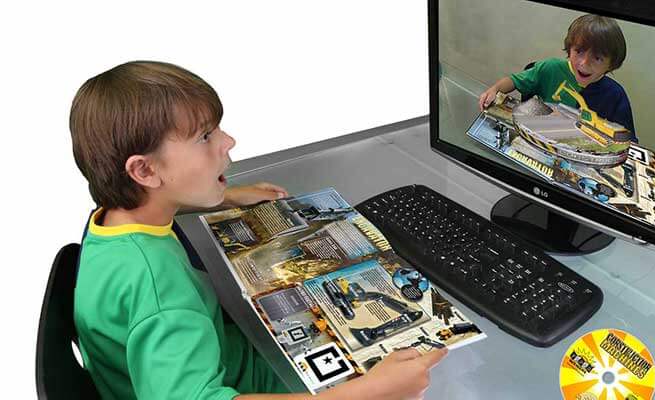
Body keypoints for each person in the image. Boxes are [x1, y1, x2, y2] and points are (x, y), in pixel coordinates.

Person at [70, 61, 447, 400]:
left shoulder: (113, 221)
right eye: (205, 136)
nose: (228, 141)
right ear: (146, 171)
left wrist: (223, 196)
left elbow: (152, 199)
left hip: (208, 355)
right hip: (239, 380)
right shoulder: (155, 287)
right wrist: (365, 393)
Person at [478, 14, 655, 188]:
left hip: (577, 175)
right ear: (569, 48)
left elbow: (628, 145)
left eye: (597, 57)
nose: (584, 63)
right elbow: (514, 80)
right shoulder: (549, 68)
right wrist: (495, 89)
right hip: (534, 162)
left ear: (612, 63)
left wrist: (652, 168)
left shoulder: (616, 95)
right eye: (579, 51)